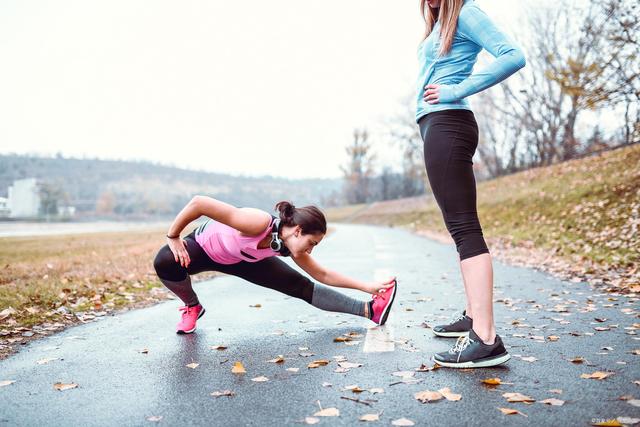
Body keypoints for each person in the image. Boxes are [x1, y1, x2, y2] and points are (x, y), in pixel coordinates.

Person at [416, 0, 526, 367]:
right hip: (438, 124)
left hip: (449, 121)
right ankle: (472, 316)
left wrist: (456, 89)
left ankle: (486, 337)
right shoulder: (441, 22)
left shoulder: (466, 12)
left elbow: (512, 56)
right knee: (458, 226)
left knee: (464, 228)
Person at [153, 196, 397, 334]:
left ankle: (370, 310)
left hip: (241, 262)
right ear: (298, 230)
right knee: (165, 261)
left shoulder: (289, 245)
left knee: (301, 286)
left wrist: (367, 287)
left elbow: (323, 274)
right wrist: (173, 235)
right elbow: (199, 203)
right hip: (204, 249)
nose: (310, 250)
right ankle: (192, 306)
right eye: (311, 243)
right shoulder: (256, 223)